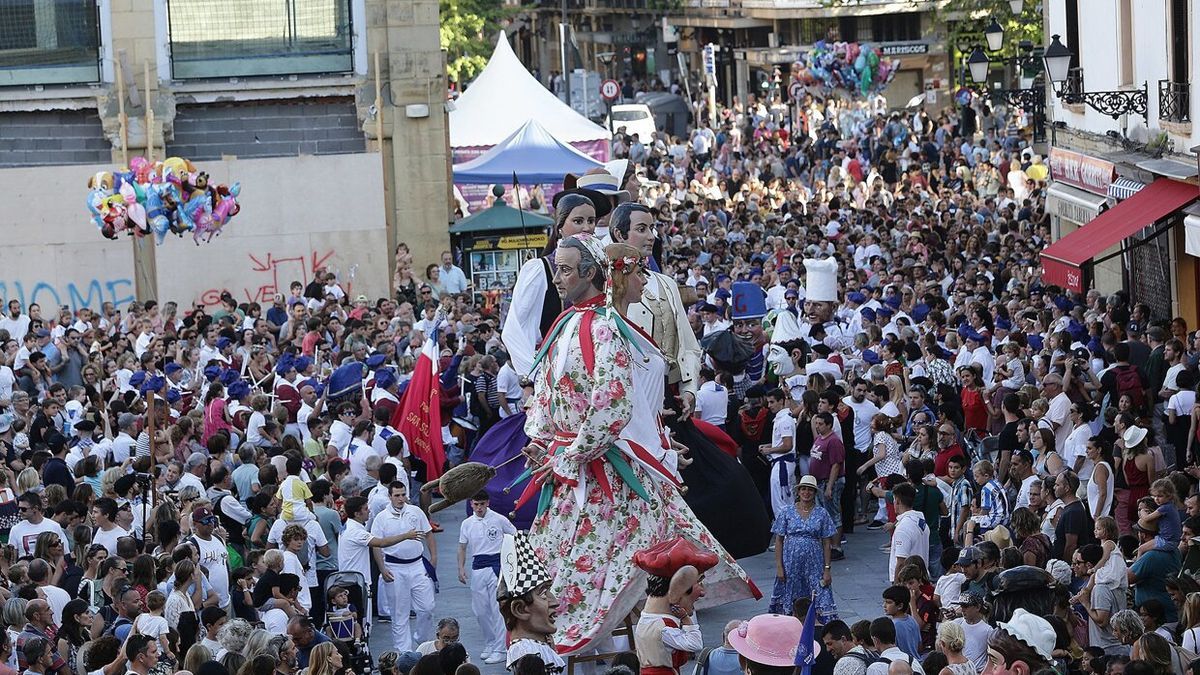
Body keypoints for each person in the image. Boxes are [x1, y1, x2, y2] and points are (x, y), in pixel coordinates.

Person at [519, 237, 756, 654]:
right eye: (556, 268)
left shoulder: (607, 326)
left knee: (612, 559)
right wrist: (539, 438)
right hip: (567, 464)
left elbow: (612, 401)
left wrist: (573, 453)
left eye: (566, 269)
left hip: (599, 464)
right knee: (557, 561)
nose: (556, 277)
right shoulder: (562, 325)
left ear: (590, 273)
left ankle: (647, 642)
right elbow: (543, 390)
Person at [632, 537, 713, 675]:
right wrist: (686, 619)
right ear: (678, 588)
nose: (703, 592)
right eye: (699, 582)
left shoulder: (647, 619)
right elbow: (695, 644)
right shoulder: (664, 627)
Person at [371, 481, 436, 652]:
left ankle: (422, 640)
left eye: (403, 494)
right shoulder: (381, 518)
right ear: (389, 496)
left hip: (417, 565)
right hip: (394, 567)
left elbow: (428, 534)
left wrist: (433, 558)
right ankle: (404, 653)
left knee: (427, 608)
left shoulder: (415, 511)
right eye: (397, 495)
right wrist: (382, 568)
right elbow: (376, 544)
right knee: (400, 614)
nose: (401, 498)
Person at [456, 492, 516, 665]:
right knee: (480, 611)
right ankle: (490, 643)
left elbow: (515, 536)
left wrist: (512, 563)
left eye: (482, 504)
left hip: (498, 567)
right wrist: (461, 568)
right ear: (471, 504)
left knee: (498, 609)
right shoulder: (467, 524)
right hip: (478, 568)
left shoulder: (499, 519)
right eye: (476, 504)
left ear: (488, 503)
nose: (479, 507)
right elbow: (462, 547)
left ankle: (500, 649)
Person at [768, 475, 837, 621]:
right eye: (803, 489)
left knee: (819, 593)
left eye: (810, 490)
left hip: (814, 563)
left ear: (814, 493)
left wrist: (827, 569)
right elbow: (779, 540)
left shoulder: (822, 513)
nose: (806, 492)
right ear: (798, 492)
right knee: (790, 594)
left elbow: (826, 542)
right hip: (791, 563)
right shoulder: (787, 512)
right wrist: (779, 566)